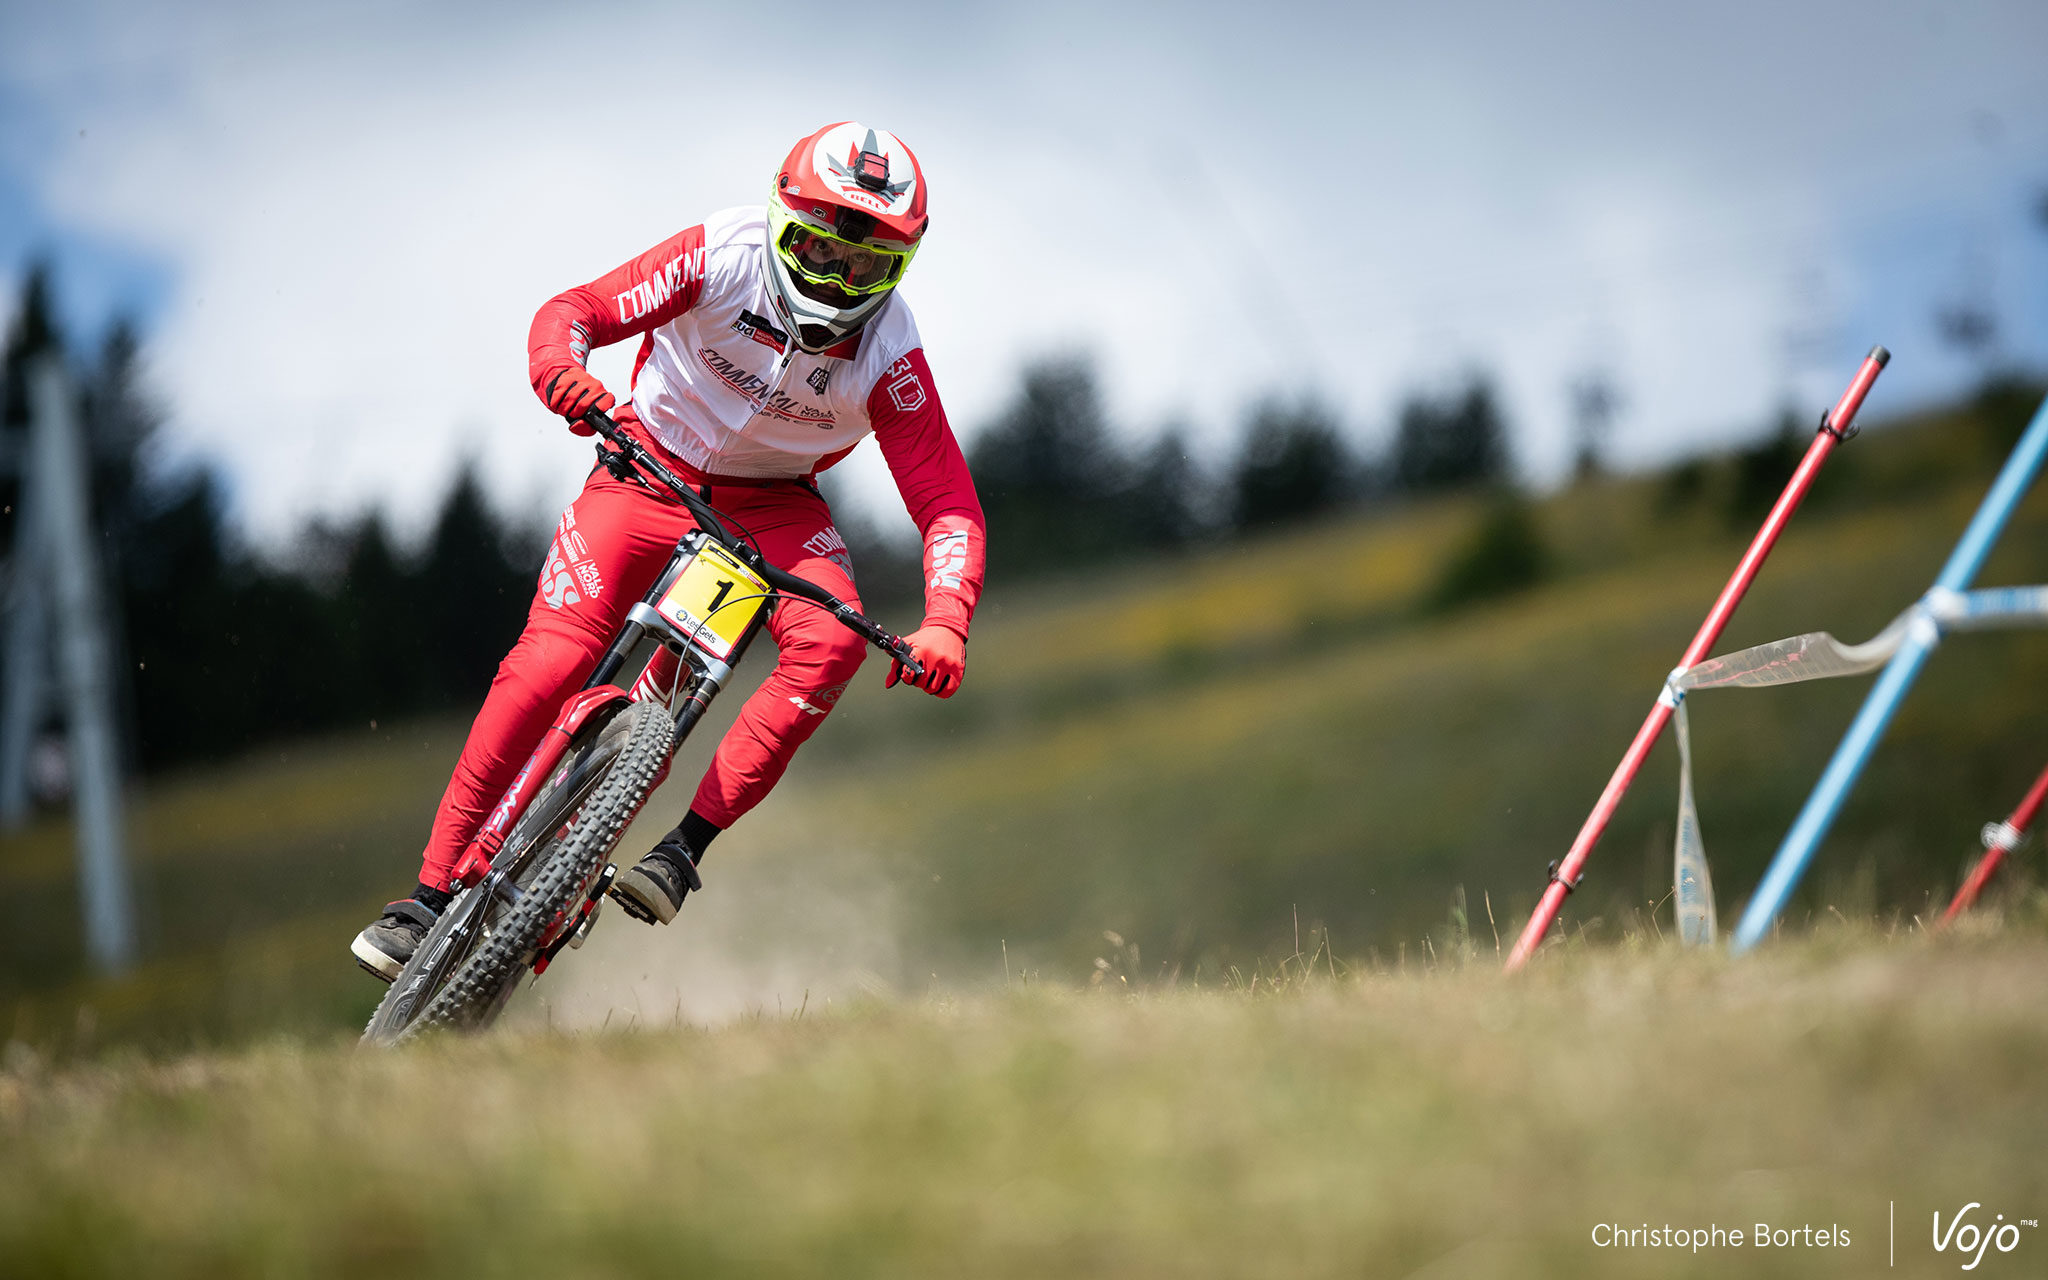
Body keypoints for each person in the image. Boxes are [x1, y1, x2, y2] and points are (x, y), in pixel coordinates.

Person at [351, 122, 985, 980]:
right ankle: (425, 898)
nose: (839, 280)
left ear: (901, 266)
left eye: (867, 267)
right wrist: (563, 372)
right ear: (781, 220)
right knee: (551, 663)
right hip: (646, 471)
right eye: (822, 250)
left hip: (771, 506)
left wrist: (947, 618)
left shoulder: (890, 350)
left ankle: (683, 850)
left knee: (833, 642)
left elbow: (947, 503)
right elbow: (574, 312)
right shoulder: (721, 253)